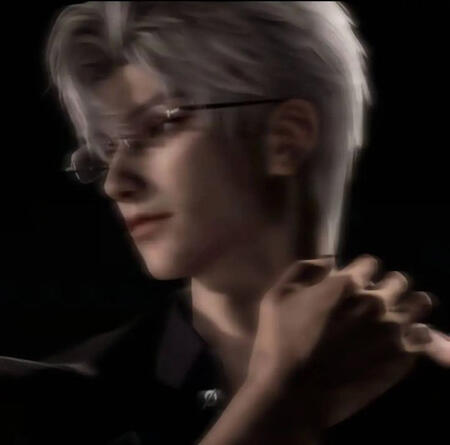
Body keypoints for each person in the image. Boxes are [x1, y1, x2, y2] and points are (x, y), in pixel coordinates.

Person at [1, 2, 448, 444]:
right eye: (109, 148)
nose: (116, 183)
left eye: (157, 127)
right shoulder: (33, 407)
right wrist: (279, 397)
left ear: (286, 137)